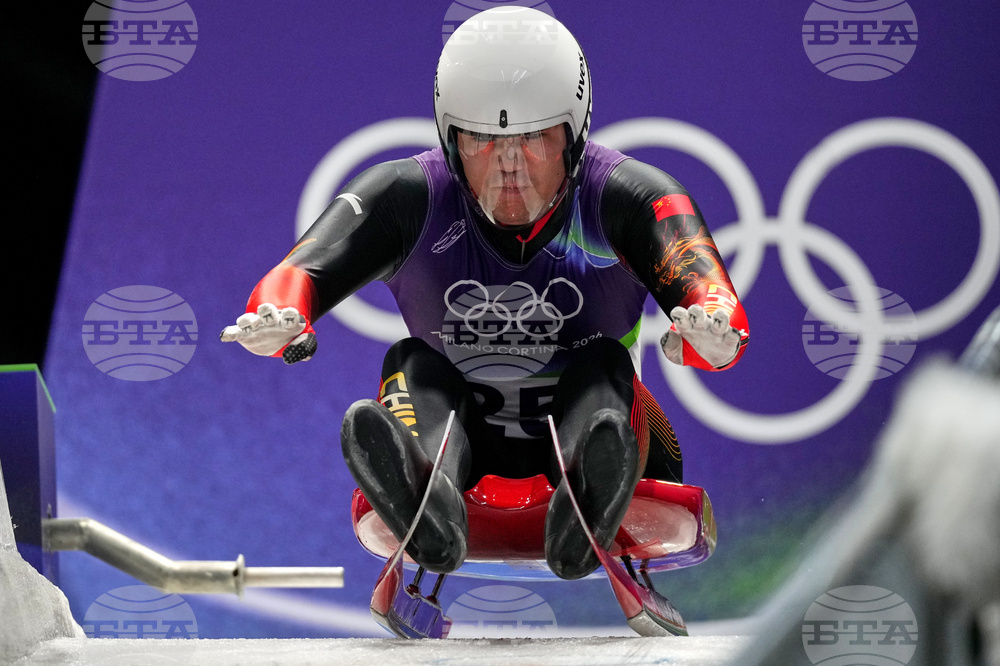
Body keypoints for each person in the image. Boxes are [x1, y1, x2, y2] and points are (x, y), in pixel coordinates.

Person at [221, 7, 748, 581]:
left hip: (608, 437)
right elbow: (299, 273)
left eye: (536, 140)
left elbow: (711, 297)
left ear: (575, 135)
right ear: (449, 139)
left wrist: (709, 331)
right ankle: (430, 503)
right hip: (458, 440)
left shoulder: (631, 196)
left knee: (604, 363)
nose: (510, 169)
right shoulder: (404, 196)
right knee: (410, 362)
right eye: (482, 142)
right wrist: (281, 319)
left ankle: (583, 494)